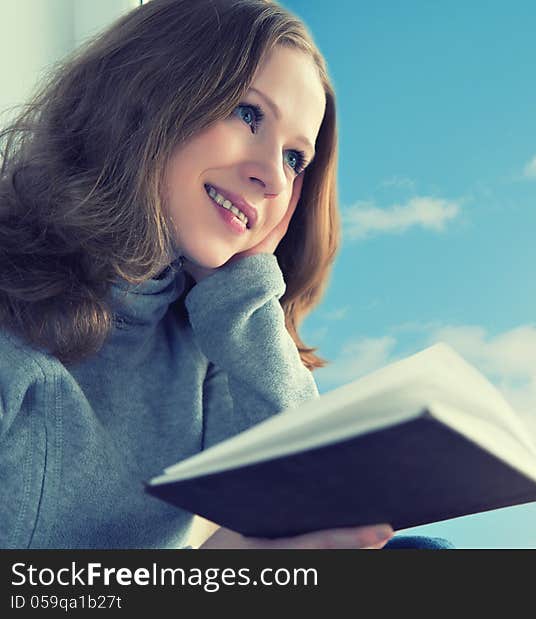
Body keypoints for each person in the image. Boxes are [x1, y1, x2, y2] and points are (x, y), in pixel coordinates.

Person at [0, 0, 452, 550]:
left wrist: (243, 294)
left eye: (294, 159)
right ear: (149, 90)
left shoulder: (198, 334)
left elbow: (313, 492)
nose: (271, 177)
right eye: (248, 114)